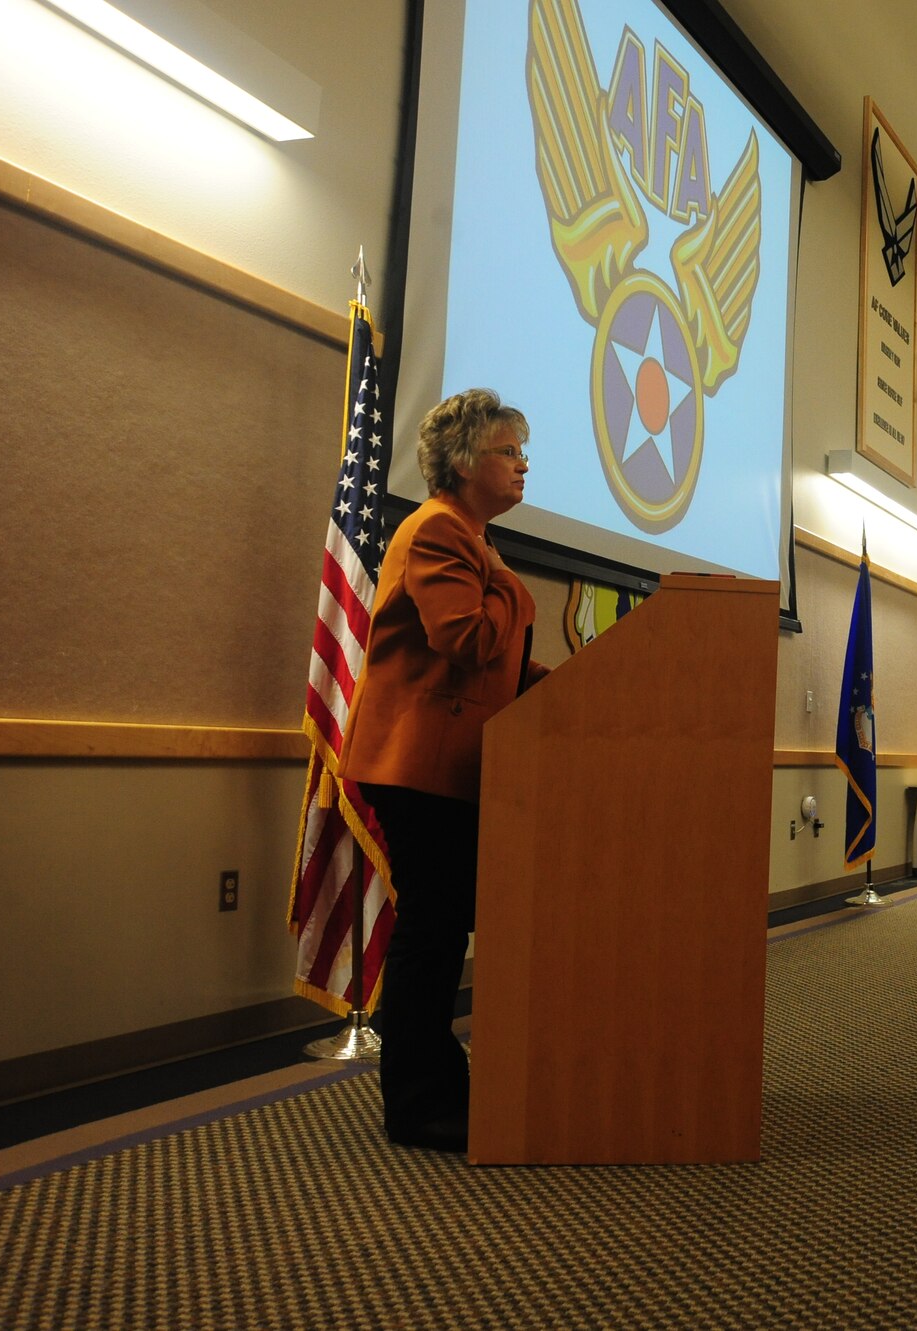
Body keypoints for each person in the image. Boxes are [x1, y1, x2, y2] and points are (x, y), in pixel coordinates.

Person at [340, 388, 549, 1152]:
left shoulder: (474, 540)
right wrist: (501, 587)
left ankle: (439, 1079)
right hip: (417, 762)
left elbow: (499, 661)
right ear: (463, 462)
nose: (523, 464)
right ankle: (416, 1102)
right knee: (431, 928)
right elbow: (464, 636)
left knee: (440, 923)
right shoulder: (439, 532)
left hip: (447, 765)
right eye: (508, 451)